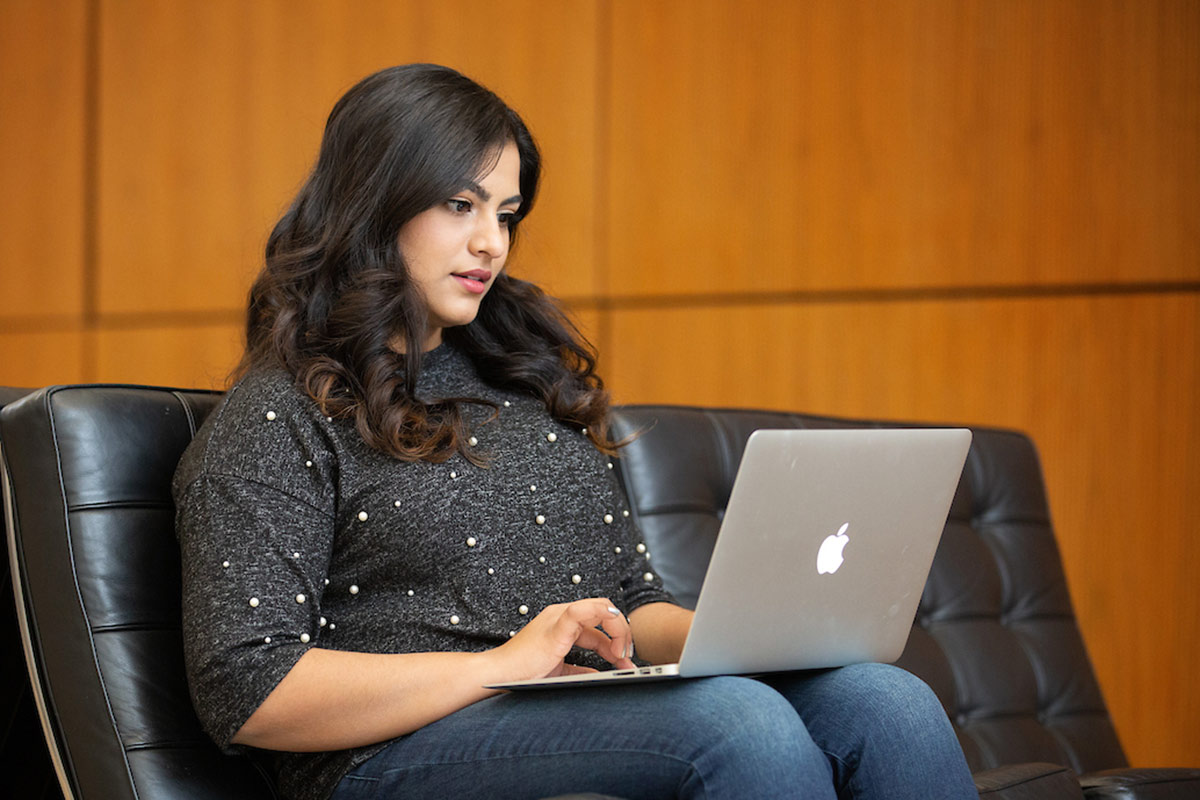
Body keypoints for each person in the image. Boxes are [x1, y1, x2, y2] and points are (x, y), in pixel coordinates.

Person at [173, 63, 977, 800]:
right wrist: (499, 668)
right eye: (460, 204)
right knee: (739, 726)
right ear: (376, 204)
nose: (492, 242)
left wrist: (740, 639)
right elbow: (249, 689)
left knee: (885, 700)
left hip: (572, 706)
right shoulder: (278, 416)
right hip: (385, 758)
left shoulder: (519, 383)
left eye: (506, 212)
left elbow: (632, 602)